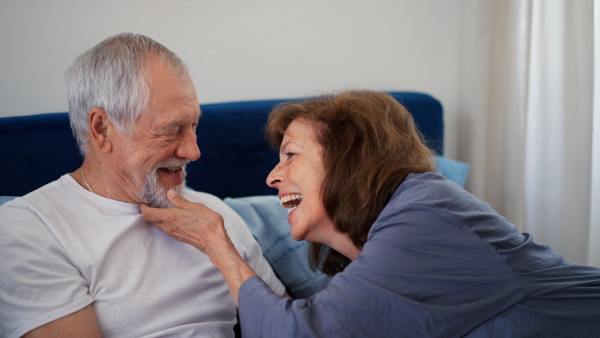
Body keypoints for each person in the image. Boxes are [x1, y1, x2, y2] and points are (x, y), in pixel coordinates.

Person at [142, 90, 600, 337]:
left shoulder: (425, 216)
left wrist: (216, 243)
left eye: (290, 156)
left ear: (351, 158)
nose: (271, 178)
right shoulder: (388, 239)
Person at [0, 33, 285, 338]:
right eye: (171, 129)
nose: (194, 151)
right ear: (102, 129)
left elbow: (289, 329)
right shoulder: (30, 230)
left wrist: (219, 246)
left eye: (194, 126)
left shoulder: (213, 215)